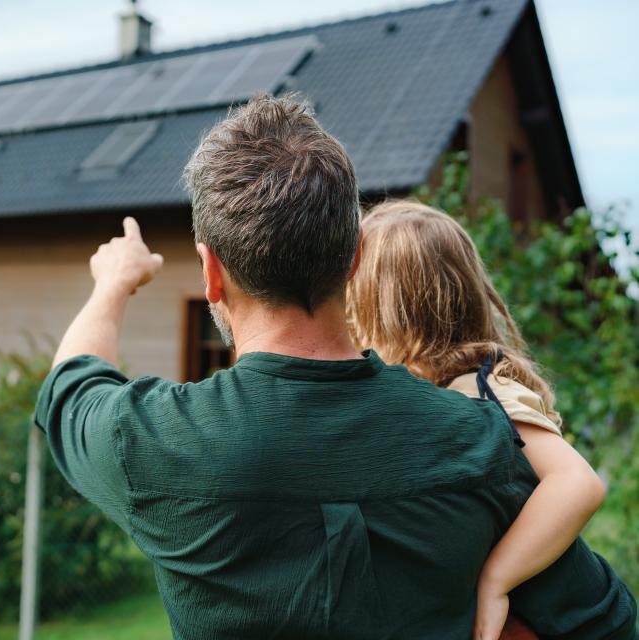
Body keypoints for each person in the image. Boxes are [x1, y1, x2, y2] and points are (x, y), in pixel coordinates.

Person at [34, 94, 637, 639]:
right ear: (352, 259)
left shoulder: (149, 441)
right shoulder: (478, 440)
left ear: (211, 272)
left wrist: (113, 284)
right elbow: (607, 622)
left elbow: (71, 381)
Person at [345, 200, 610, 640]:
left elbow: (578, 484)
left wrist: (496, 580)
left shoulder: (483, 391)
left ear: (383, 309)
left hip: (573, 623)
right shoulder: (435, 392)